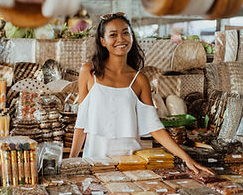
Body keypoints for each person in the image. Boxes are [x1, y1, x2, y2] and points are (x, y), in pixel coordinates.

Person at [69, 12, 212, 174]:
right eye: (113, 35)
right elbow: (81, 122)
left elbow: (154, 127)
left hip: (132, 162)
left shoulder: (139, 80)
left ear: (132, 36)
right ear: (103, 41)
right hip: (96, 159)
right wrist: (71, 161)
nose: (121, 39)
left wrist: (187, 158)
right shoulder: (89, 72)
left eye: (125, 33)